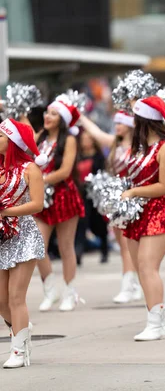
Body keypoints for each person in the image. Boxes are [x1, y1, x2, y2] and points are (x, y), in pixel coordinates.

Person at [125, 96, 165, 341]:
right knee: (142, 269)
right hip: (137, 212)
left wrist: (133, 191)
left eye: (136, 115)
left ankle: (155, 325)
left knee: (148, 266)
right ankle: (160, 314)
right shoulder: (139, 148)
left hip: (160, 210)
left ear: (144, 119)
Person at [78, 111, 142, 304]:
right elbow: (96, 133)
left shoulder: (140, 145)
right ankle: (130, 284)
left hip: (135, 196)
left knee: (133, 244)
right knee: (124, 244)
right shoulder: (115, 143)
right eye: (116, 124)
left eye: (120, 124)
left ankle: (134, 284)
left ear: (130, 125)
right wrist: (80, 116)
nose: (117, 127)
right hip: (117, 198)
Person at [0, 118, 45, 368]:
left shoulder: (30, 169)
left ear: (13, 142)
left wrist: (5, 211)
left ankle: (18, 351)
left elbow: (37, 204)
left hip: (23, 235)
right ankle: (22, 329)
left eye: (1, 136)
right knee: (1, 301)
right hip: (1, 236)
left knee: (16, 297)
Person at [35, 99, 85, 312]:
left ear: (62, 120)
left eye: (54, 114)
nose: (47, 116)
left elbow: (65, 171)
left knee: (66, 247)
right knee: (37, 246)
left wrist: (41, 181)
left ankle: (69, 292)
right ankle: (50, 290)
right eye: (47, 112)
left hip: (63, 195)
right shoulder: (40, 137)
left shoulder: (70, 140)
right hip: (41, 198)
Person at [75, 130, 108, 265]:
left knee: (99, 223)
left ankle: (104, 250)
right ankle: (78, 252)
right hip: (81, 194)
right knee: (81, 223)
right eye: (84, 139)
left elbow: (102, 173)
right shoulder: (78, 156)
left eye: (88, 139)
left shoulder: (99, 157)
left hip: (95, 194)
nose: (86, 142)